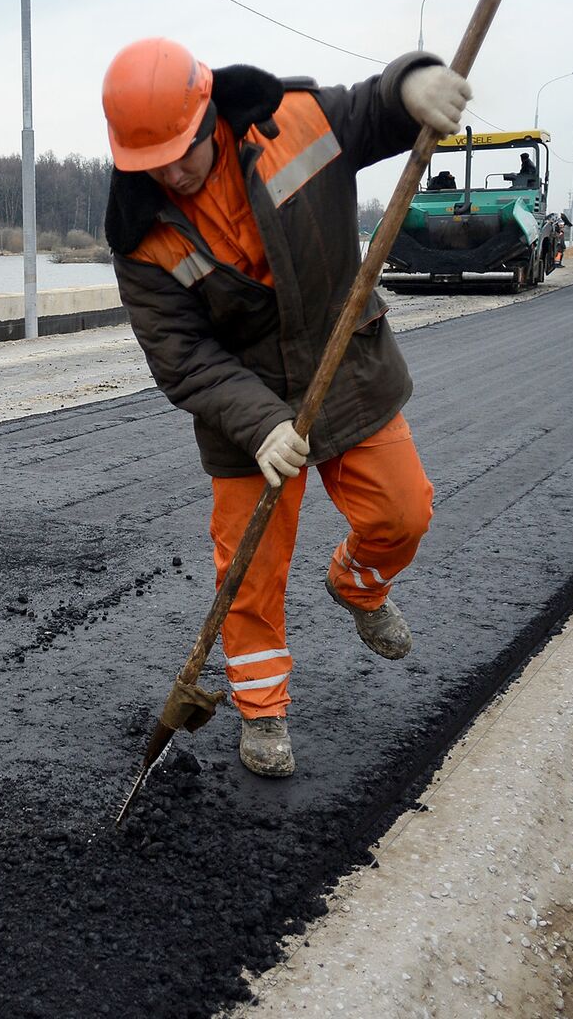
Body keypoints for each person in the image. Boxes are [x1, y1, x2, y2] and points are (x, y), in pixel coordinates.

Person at [102, 38, 467, 778]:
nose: (173, 173)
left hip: (346, 367)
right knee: (249, 573)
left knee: (404, 512)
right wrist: (259, 420)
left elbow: (373, 110)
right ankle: (263, 712)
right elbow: (180, 355)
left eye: (184, 151)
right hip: (244, 409)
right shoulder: (142, 239)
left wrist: (415, 84)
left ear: (211, 114)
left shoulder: (292, 120)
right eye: (153, 164)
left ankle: (357, 585)